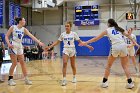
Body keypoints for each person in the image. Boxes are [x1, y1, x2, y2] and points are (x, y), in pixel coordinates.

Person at [79, 19, 139, 89]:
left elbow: (95, 39)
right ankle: (130, 83)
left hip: (115, 47)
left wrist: (85, 43)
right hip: (123, 46)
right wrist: (134, 42)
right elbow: (128, 36)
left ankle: (104, 82)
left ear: (109, 24)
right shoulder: (119, 29)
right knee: (125, 66)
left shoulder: (107, 30)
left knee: (108, 65)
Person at [46, 21, 94, 86]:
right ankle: (64, 79)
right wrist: (49, 47)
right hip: (65, 49)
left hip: (72, 49)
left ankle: (74, 77)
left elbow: (81, 42)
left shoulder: (74, 34)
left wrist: (88, 46)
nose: (66, 27)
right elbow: (57, 42)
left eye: (68, 26)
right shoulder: (63, 34)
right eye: (65, 26)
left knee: (72, 65)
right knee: (65, 63)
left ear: (70, 27)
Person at [5, 17, 44, 86]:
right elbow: (6, 36)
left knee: (23, 63)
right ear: (20, 21)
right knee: (14, 63)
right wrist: (8, 44)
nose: (25, 21)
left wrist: (39, 42)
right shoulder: (13, 27)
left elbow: (32, 36)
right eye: (24, 20)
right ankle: (10, 79)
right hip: (13, 45)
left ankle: (26, 79)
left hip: (20, 45)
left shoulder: (24, 29)